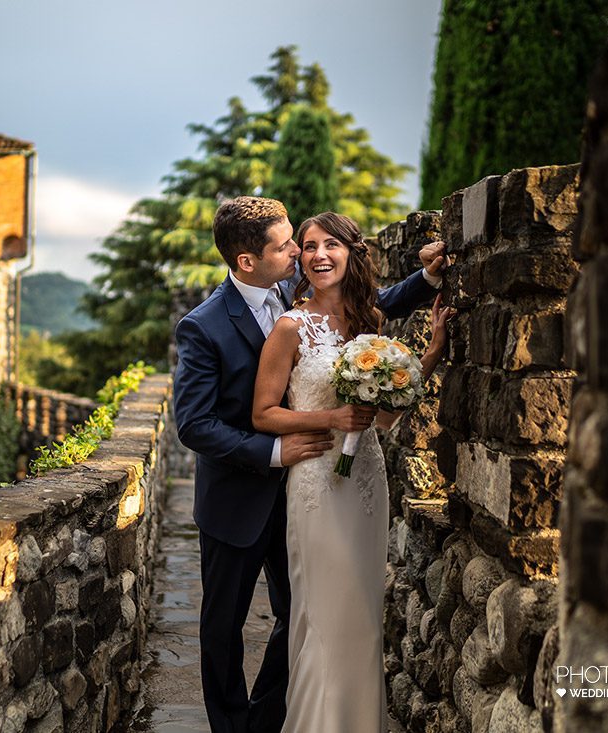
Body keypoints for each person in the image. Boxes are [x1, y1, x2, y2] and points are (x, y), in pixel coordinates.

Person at [172, 197, 445, 733]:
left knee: (302, 613)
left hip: (314, 489)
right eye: (288, 245)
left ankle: (278, 718)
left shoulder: (293, 291)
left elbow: (367, 305)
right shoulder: (203, 326)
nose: (300, 250)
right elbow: (194, 425)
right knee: (223, 626)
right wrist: (276, 451)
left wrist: (428, 278)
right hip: (243, 494)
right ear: (247, 261)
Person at [251, 212, 451, 733]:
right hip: (317, 481)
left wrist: (426, 357)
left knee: (362, 615)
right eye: (309, 246)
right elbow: (263, 414)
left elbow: (383, 417)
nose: (319, 255)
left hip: (365, 481)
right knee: (323, 615)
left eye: (331, 245)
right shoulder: (290, 327)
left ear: (350, 252)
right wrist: (330, 418)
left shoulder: (369, 324)